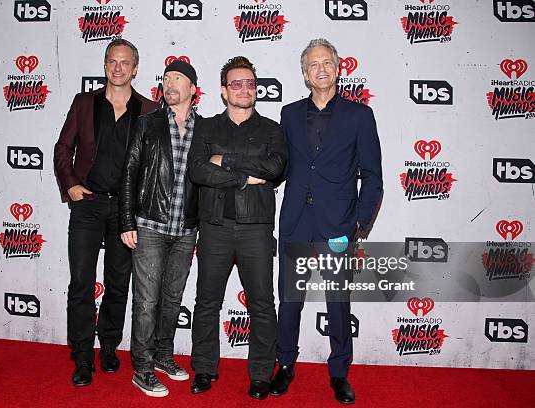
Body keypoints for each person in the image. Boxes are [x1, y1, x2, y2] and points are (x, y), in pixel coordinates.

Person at [270, 38, 383, 404]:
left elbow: (373, 176)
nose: (320, 69)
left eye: (327, 63)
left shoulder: (359, 116)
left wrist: (359, 224)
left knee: (338, 301)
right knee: (289, 301)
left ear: (338, 68)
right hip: (296, 223)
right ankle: (285, 364)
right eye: (313, 64)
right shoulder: (288, 114)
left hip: (339, 225)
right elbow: (280, 166)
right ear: (305, 73)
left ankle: (338, 372)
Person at [53, 39, 156, 387]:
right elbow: (63, 147)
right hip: (88, 205)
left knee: (118, 283)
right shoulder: (85, 103)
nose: (118, 68)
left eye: (125, 62)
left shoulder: (149, 110)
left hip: (126, 210)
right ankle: (82, 355)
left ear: (135, 68)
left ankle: (109, 346)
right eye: (112, 61)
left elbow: (154, 164)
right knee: (81, 282)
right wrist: (70, 184)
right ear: (105, 64)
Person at [188, 56, 287, 400]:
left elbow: (274, 167)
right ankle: (203, 368)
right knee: (206, 302)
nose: (244, 89)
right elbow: (198, 171)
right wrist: (246, 175)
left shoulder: (272, 130)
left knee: (261, 303)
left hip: (255, 229)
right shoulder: (206, 127)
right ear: (223, 91)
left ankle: (261, 374)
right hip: (214, 227)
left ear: (255, 89)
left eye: (249, 83)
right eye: (236, 83)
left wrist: (225, 161)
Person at [119, 59, 201, 398]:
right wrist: (126, 220)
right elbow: (129, 173)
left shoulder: (206, 129)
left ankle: (164, 356)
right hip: (150, 224)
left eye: (178, 78)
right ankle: (142, 367)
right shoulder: (147, 124)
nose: (170, 83)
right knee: (146, 300)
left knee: (172, 298)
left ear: (193, 89)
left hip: (186, 229)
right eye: (166, 78)